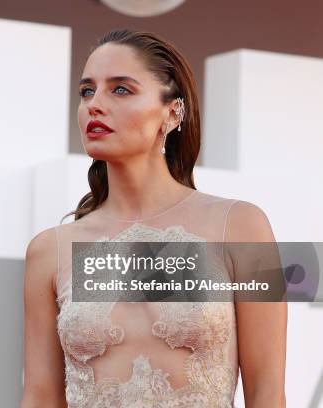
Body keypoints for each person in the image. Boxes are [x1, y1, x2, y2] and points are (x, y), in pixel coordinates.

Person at [20, 28, 287, 407]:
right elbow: (40, 397)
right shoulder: (50, 250)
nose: (95, 104)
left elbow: (268, 394)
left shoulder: (243, 226)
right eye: (87, 91)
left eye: (121, 89)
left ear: (173, 110)